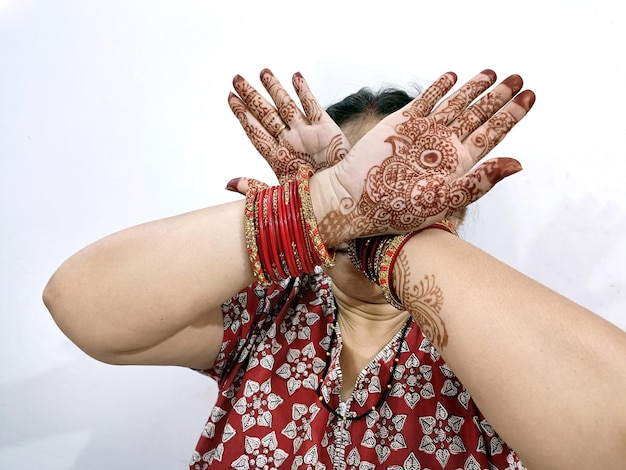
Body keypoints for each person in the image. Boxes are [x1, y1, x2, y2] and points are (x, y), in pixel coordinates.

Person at [42, 68, 626, 470]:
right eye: (360, 180)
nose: (379, 202)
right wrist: (326, 206)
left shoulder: (496, 334)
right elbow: (79, 306)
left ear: (458, 199)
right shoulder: (268, 314)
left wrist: (388, 239)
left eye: (409, 185)